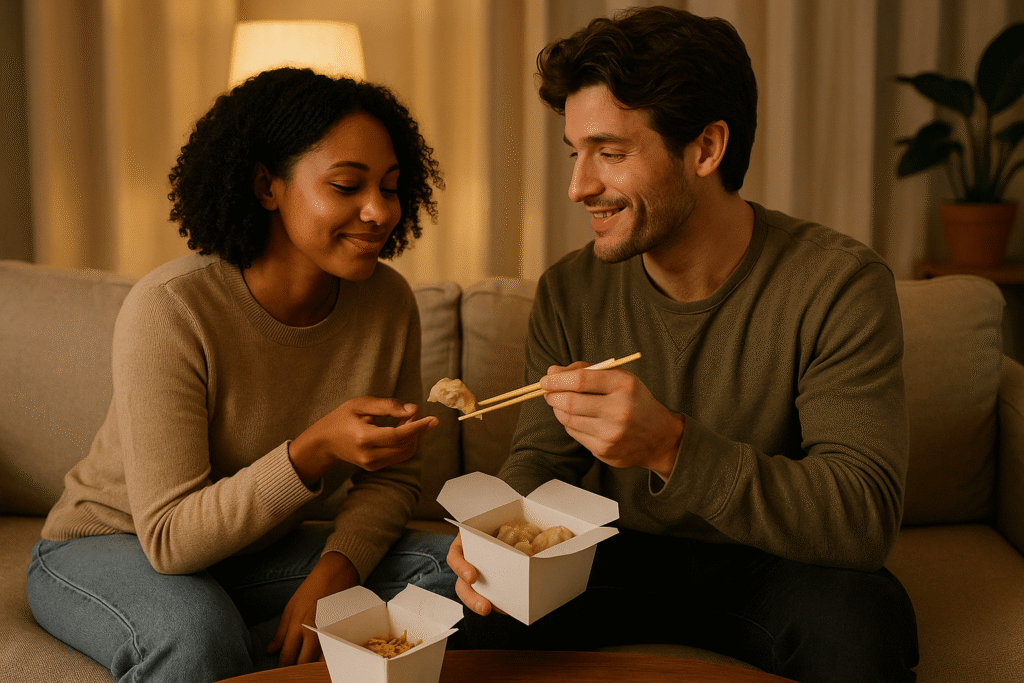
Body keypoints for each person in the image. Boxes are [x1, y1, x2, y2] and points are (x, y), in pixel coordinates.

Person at [447, 6, 919, 682]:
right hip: (614, 553)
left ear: (705, 148)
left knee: (864, 627)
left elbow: (862, 516)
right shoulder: (570, 290)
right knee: (464, 620)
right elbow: (540, 459)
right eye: (575, 153)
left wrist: (670, 445)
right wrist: (497, 540)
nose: (579, 186)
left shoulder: (838, 282)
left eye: (609, 153)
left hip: (776, 560)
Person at [26, 67, 457, 683]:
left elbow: (393, 480)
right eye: (346, 186)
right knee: (196, 636)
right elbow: (171, 541)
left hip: (253, 556)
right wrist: (314, 449)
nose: (378, 212)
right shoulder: (173, 308)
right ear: (266, 187)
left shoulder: (387, 303)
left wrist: (335, 576)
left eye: (390, 187)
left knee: (461, 570)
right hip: (110, 545)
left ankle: (251, 654)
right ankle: (232, 647)